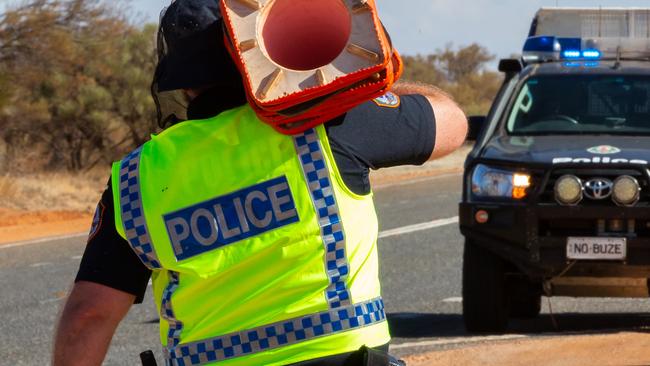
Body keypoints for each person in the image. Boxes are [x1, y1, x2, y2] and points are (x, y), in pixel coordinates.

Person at [52, 1, 467, 365]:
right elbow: (452, 123)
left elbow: (89, 313)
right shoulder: (323, 125)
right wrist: (358, 87)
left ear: (186, 79)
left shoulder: (136, 176)